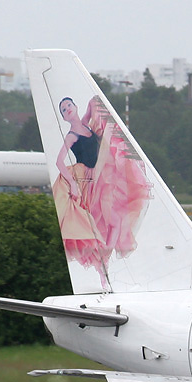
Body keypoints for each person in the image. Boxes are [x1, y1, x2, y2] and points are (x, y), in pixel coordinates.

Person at [53, 96, 150, 287]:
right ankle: (102, 269)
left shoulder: (85, 125)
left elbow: (92, 103)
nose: (67, 110)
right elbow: (59, 161)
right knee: (106, 223)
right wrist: (72, 183)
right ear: (63, 118)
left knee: (114, 222)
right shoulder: (72, 135)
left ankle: (104, 261)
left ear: (75, 106)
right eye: (64, 110)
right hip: (88, 181)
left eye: (69, 105)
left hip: (101, 178)